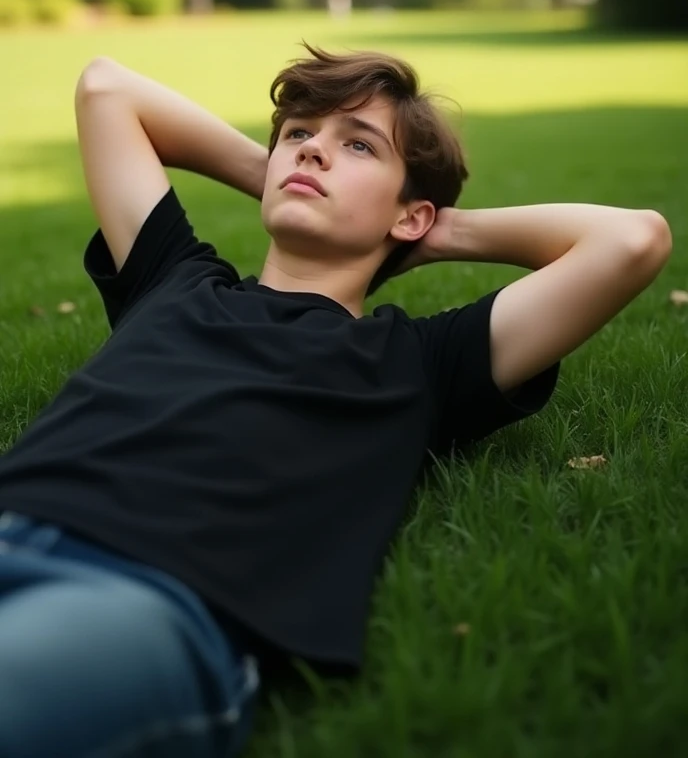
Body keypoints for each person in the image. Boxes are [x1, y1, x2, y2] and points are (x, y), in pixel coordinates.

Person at [0, 44, 672, 758]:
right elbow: (106, 89)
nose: (314, 151)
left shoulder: (418, 361)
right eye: (298, 134)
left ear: (412, 216)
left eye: (357, 144)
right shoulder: (173, 279)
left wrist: (434, 230)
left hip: (143, 601)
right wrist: (285, 175)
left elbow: (632, 239)